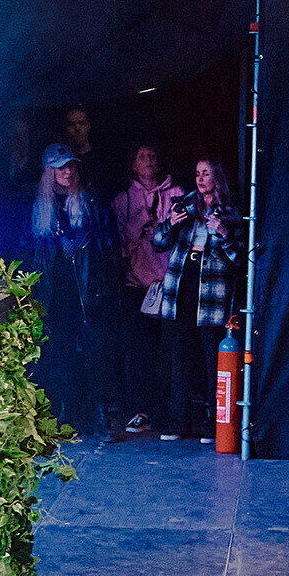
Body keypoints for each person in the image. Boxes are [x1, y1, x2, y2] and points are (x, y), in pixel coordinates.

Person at [148, 155, 239, 441]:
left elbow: (239, 259)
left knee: (212, 359)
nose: (200, 179)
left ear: (217, 177)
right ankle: (179, 422)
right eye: (198, 173)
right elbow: (158, 244)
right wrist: (170, 224)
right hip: (181, 287)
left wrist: (223, 234)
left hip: (210, 293)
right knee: (180, 358)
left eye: (206, 173)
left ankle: (213, 423)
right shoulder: (184, 205)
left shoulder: (231, 212)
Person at [28, 144, 115, 436]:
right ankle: (64, 415)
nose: (68, 172)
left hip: (87, 291)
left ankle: (101, 416)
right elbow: (35, 256)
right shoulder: (40, 207)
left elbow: (106, 245)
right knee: (60, 354)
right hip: (57, 294)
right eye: (61, 167)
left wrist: (104, 286)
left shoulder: (89, 201)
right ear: (50, 171)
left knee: (95, 354)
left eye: (71, 166)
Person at [110, 144, 172, 435]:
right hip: (137, 287)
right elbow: (120, 248)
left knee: (169, 353)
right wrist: (139, 224)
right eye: (142, 156)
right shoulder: (122, 201)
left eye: (153, 155)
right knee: (140, 354)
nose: (148, 160)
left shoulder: (175, 194)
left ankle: (170, 410)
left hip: (169, 286)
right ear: (133, 164)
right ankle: (142, 410)